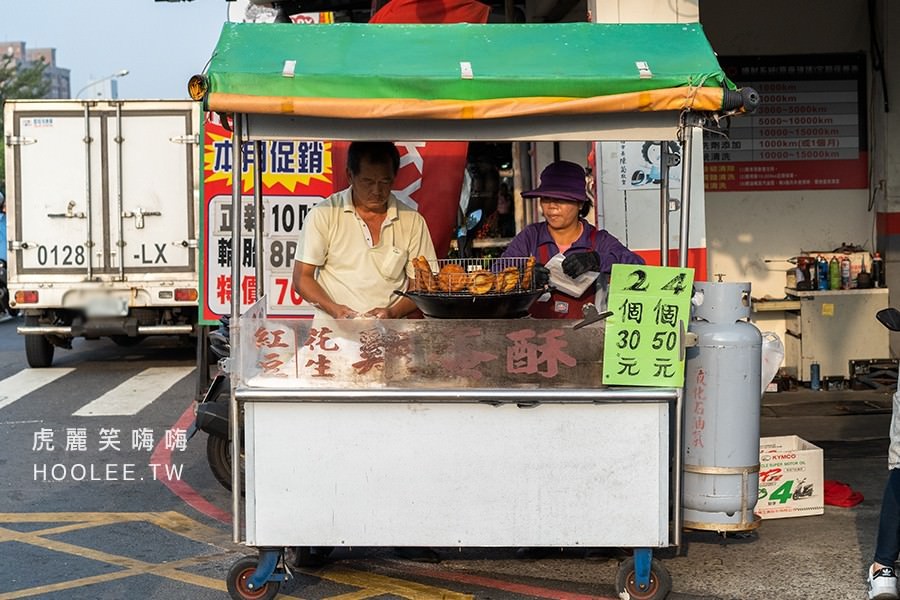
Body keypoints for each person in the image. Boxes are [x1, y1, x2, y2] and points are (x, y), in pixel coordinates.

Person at [291, 141, 437, 320]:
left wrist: (392, 313)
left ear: (394, 177)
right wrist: (335, 310)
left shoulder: (412, 221)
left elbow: (422, 285)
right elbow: (302, 278)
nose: (377, 191)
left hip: (390, 337)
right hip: (332, 338)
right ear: (350, 176)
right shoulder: (324, 213)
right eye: (368, 182)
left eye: (384, 182)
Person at [501, 160, 644, 319]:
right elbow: (497, 276)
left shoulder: (599, 240)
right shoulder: (530, 237)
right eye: (546, 199)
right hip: (536, 336)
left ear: (580, 203)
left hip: (586, 335)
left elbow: (638, 268)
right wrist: (524, 276)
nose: (552, 206)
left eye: (561, 199)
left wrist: (597, 260)